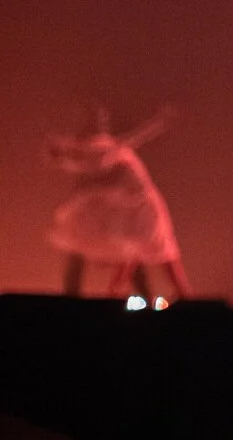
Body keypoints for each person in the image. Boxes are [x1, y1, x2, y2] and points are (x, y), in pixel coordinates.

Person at [47, 108, 192, 302]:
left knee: (159, 254)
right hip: (138, 207)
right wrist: (64, 154)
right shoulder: (103, 149)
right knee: (142, 254)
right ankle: (173, 294)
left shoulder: (107, 147)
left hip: (145, 206)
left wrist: (158, 123)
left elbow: (128, 141)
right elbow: (90, 159)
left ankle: (181, 295)